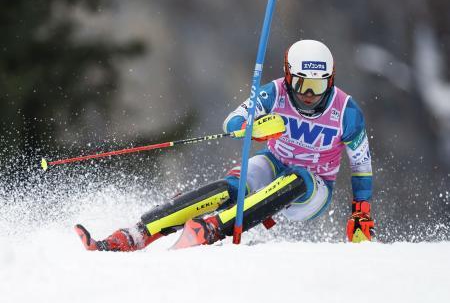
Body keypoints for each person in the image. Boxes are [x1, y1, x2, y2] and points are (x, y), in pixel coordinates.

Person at [75, 39, 374, 251]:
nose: (309, 94)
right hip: (275, 162)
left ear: (330, 80)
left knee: (299, 178)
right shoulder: (276, 93)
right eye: (301, 84)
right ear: (288, 76)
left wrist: (361, 212)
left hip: (313, 189)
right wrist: (249, 129)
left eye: (318, 86)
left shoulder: (347, 112)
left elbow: (361, 165)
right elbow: (233, 120)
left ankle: (212, 229)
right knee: (233, 186)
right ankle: (137, 233)